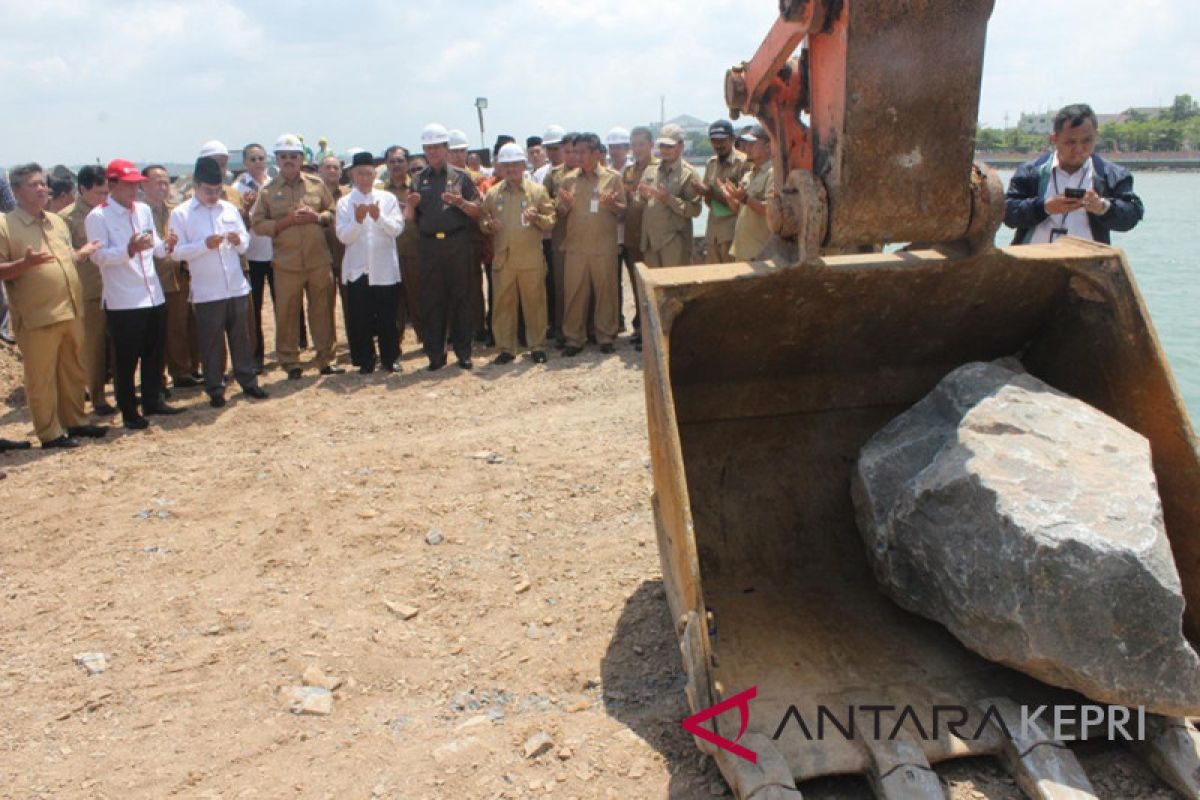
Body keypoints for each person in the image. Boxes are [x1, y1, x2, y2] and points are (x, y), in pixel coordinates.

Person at [0, 163, 106, 448]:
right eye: (34, 184)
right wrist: (24, 264)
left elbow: (62, 258)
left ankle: (75, 421)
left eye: (43, 183)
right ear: (17, 191)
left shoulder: (56, 221)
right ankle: (50, 432)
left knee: (73, 370)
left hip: (70, 309)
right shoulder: (5, 225)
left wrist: (79, 254)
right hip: (37, 316)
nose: (41, 189)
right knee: (41, 378)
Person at [84, 159, 183, 430]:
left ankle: (153, 400)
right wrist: (128, 249)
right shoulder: (98, 217)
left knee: (154, 352)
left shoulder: (142, 210)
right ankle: (129, 410)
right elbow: (98, 256)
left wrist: (168, 246)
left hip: (152, 293)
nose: (133, 191)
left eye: (136, 185)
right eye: (127, 185)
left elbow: (155, 249)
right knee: (126, 360)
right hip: (123, 300)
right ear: (112, 184)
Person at [168, 156, 269, 407]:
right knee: (211, 342)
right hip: (207, 290)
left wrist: (237, 241)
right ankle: (215, 387)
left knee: (241, 338)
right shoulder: (181, 214)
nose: (213, 196)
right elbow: (176, 252)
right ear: (195, 186)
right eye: (208, 191)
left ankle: (248, 381)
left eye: (217, 190)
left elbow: (246, 242)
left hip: (235, 284)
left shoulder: (229, 209)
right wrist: (203, 246)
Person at [250, 134, 344, 380]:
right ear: (277, 160)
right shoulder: (268, 191)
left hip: (318, 260)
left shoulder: (316, 184)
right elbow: (257, 223)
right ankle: (290, 362)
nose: (289, 161)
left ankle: (326, 358)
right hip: (286, 263)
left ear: (302, 159)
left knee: (322, 310)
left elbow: (333, 211)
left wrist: (317, 217)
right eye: (284, 157)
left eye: (294, 156)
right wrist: (284, 223)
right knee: (287, 313)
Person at [1004, 103, 1145, 246]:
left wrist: (1103, 207)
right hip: (1032, 263)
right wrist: (1044, 207)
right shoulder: (1030, 171)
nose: (1078, 149)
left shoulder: (1112, 174)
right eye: (1070, 142)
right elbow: (1006, 213)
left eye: (1086, 141)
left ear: (1096, 136)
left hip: (1087, 264)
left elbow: (1132, 215)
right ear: (1054, 139)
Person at [404, 123, 482, 371]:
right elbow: (410, 217)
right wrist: (411, 205)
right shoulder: (418, 180)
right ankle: (435, 355)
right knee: (432, 301)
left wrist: (460, 203)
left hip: (457, 243)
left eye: (438, 147)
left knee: (461, 297)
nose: (433, 152)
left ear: (447, 148)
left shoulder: (462, 176)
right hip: (429, 246)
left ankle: (463, 352)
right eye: (428, 148)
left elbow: (478, 210)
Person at [479, 143, 555, 365]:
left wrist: (537, 219)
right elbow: (483, 220)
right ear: (500, 167)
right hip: (504, 259)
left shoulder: (537, 191)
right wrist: (488, 225)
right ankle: (506, 348)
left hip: (530, 257)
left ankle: (537, 346)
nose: (511, 169)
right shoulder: (493, 193)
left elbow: (551, 220)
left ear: (523, 165)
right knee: (503, 305)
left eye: (515, 164)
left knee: (535, 304)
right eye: (506, 165)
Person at [337, 151, 406, 374]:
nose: (365, 178)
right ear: (352, 175)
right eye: (360, 174)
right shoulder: (345, 203)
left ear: (374, 174)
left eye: (369, 173)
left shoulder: (387, 199)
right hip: (358, 269)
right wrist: (357, 221)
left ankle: (390, 358)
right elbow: (343, 237)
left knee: (388, 316)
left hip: (384, 267)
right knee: (360, 317)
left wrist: (379, 218)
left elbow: (396, 229)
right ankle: (365, 360)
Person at [558, 133, 626, 357]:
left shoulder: (613, 178)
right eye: (575, 151)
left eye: (582, 152)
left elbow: (623, 211)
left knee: (606, 292)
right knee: (575, 294)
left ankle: (605, 336)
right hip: (576, 247)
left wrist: (612, 204)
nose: (577, 156)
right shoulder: (568, 179)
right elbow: (559, 213)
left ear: (597, 153)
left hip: (603, 246)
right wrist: (565, 206)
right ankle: (574, 338)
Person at [60, 165, 114, 414]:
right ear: (83, 189)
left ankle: (121, 390)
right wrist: (81, 254)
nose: (105, 198)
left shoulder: (112, 211)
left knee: (116, 344)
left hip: (117, 287)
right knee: (93, 347)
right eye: (99, 193)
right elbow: (63, 255)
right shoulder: (66, 218)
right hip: (90, 291)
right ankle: (98, 397)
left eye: (107, 192)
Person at [144, 164, 201, 393]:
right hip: (157, 279)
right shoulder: (141, 213)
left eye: (166, 181)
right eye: (157, 181)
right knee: (163, 331)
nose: (163, 186)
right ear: (143, 184)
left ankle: (186, 370)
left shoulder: (176, 211)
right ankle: (165, 376)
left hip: (182, 276)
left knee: (187, 324)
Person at [235, 142, 275, 371]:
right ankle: (255, 355)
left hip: (276, 253)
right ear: (245, 163)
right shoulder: (237, 189)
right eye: (253, 159)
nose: (258, 163)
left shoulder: (274, 184)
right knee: (254, 309)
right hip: (252, 256)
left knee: (284, 306)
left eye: (261, 158)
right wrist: (245, 210)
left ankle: (284, 352)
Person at [639, 123, 702, 267]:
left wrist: (668, 199)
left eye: (670, 146)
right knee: (653, 286)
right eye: (662, 146)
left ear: (681, 146)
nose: (665, 150)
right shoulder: (650, 170)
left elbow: (695, 210)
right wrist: (640, 196)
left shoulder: (689, 174)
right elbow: (640, 202)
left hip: (674, 242)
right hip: (650, 241)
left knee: (675, 285)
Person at [377, 145, 421, 344]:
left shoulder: (419, 186)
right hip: (388, 255)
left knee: (419, 299)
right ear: (386, 164)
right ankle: (395, 345)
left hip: (415, 252)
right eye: (392, 161)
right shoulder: (379, 192)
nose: (396, 165)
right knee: (393, 303)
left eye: (400, 160)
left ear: (407, 163)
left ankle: (427, 341)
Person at [620, 126, 657, 350]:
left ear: (651, 145)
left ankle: (652, 331)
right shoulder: (629, 171)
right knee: (636, 285)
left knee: (651, 285)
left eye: (641, 144)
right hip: (633, 235)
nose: (636, 149)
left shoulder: (659, 168)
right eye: (633, 145)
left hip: (652, 236)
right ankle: (641, 328)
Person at [696, 120, 748, 264]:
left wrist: (710, 193)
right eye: (714, 141)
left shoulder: (743, 163)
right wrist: (706, 193)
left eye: (722, 140)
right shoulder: (711, 164)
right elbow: (708, 200)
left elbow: (743, 203)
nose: (718, 145)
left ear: (732, 139)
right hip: (713, 232)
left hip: (734, 232)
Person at [728, 125, 775, 261]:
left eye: (752, 144)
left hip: (760, 252)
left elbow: (771, 210)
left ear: (768, 146)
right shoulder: (749, 175)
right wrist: (732, 199)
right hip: (742, 250)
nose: (747, 148)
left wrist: (745, 198)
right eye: (746, 144)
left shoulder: (773, 174)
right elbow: (740, 210)